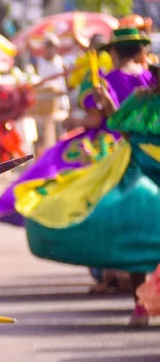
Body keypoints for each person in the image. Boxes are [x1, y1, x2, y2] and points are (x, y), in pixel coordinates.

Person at [16, 39, 159, 327]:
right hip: (138, 171)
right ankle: (139, 304)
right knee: (134, 229)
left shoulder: (142, 96)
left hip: (136, 169)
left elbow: (119, 127)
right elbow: (122, 127)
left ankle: (139, 303)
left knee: (136, 232)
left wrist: (107, 107)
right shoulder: (143, 97)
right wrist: (108, 105)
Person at [0, 27, 155, 227]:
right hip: (148, 147)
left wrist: (73, 121)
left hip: (109, 142)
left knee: (51, 166)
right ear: (139, 52)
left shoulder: (102, 80)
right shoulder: (152, 79)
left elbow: (94, 120)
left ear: (114, 52)